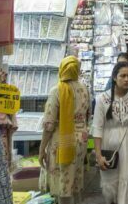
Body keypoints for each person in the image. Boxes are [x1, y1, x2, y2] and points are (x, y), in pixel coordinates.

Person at [92, 62, 128, 204]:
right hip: (109, 146)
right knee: (111, 185)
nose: (126, 79)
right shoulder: (102, 99)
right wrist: (98, 155)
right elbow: (97, 128)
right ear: (114, 77)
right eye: (122, 76)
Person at [39, 56, 91, 204]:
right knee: (75, 178)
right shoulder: (84, 89)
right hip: (81, 139)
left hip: (62, 140)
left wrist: (42, 149)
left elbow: (49, 123)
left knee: (62, 181)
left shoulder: (57, 90)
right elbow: (88, 115)